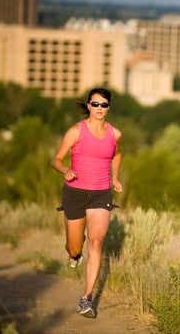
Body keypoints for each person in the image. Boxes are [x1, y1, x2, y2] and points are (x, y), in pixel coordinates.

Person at [51, 87, 122, 318]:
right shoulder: (76, 131)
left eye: (103, 105)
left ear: (109, 107)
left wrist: (115, 178)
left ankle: (86, 299)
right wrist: (65, 170)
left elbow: (117, 154)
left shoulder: (115, 134)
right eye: (95, 104)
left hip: (101, 193)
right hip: (75, 192)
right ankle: (74, 255)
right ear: (88, 106)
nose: (99, 109)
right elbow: (56, 159)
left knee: (96, 241)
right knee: (75, 246)